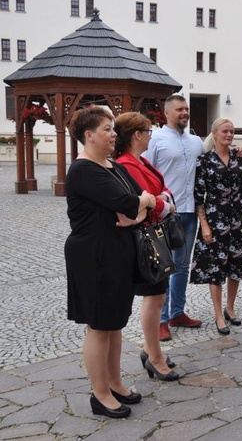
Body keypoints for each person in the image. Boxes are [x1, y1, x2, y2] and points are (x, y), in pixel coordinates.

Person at [65, 106, 155, 418]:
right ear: (88, 136)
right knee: (100, 326)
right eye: (107, 128)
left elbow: (139, 199)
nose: (114, 134)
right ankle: (100, 394)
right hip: (94, 257)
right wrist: (138, 206)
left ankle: (115, 382)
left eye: (113, 128)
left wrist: (139, 206)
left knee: (114, 324)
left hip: (116, 252)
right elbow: (130, 203)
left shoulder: (111, 165)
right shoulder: (83, 170)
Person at [113, 112, 179, 381]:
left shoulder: (140, 162)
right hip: (144, 238)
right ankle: (154, 356)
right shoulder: (126, 165)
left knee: (158, 295)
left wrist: (160, 200)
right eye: (148, 131)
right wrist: (163, 203)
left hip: (153, 233)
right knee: (155, 296)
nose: (152, 135)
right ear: (137, 135)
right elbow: (145, 199)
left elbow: (163, 191)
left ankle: (151, 350)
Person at [190, 118, 242, 335]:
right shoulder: (204, 161)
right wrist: (204, 225)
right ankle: (219, 315)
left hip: (239, 219)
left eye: (232, 132)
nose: (229, 135)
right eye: (225, 131)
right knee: (215, 269)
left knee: (236, 265)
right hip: (214, 219)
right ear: (215, 133)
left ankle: (230, 308)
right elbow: (198, 195)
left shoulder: (240, 159)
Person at [143, 95, 204, 340]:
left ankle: (177, 311)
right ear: (166, 113)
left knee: (182, 266)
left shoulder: (196, 142)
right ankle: (162, 319)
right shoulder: (155, 140)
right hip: (165, 214)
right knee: (163, 267)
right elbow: (145, 173)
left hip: (189, 213)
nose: (184, 113)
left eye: (186, 109)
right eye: (179, 109)